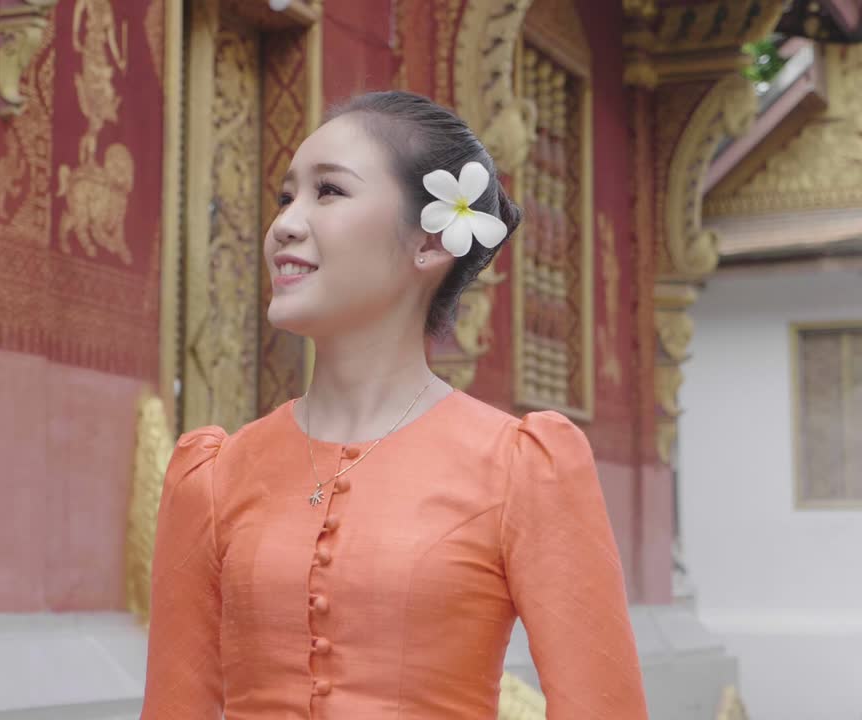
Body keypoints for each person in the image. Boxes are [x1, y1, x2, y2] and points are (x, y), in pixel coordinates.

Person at [140, 90, 648, 719]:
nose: (285, 225)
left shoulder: (522, 468)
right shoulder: (213, 476)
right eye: (285, 196)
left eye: (328, 192)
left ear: (430, 243)